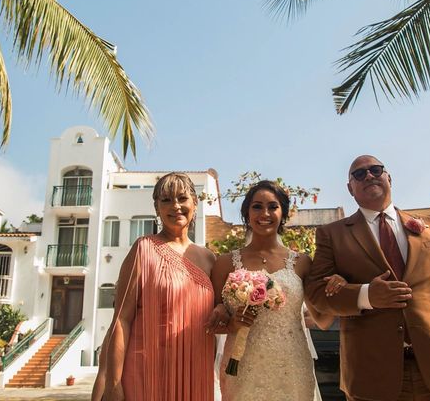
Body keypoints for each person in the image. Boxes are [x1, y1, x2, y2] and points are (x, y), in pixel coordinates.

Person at [306, 155, 430, 401]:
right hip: (372, 379)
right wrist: (366, 295)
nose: (368, 176)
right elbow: (316, 294)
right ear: (350, 188)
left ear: (389, 178)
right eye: (359, 174)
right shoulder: (332, 235)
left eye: (376, 170)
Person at [92, 172, 225, 401]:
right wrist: (113, 385)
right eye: (166, 200)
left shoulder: (210, 259)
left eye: (182, 198)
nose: (176, 206)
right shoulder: (143, 249)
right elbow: (122, 319)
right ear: (157, 207)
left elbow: (218, 318)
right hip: (146, 372)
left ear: (195, 202)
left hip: (196, 372)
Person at [211, 180, 345, 401]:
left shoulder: (302, 262)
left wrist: (337, 290)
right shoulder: (224, 264)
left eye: (273, 206)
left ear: (283, 213)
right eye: (257, 206)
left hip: (291, 366)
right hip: (242, 366)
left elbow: (322, 320)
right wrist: (233, 323)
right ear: (246, 213)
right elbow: (215, 323)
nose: (265, 213)